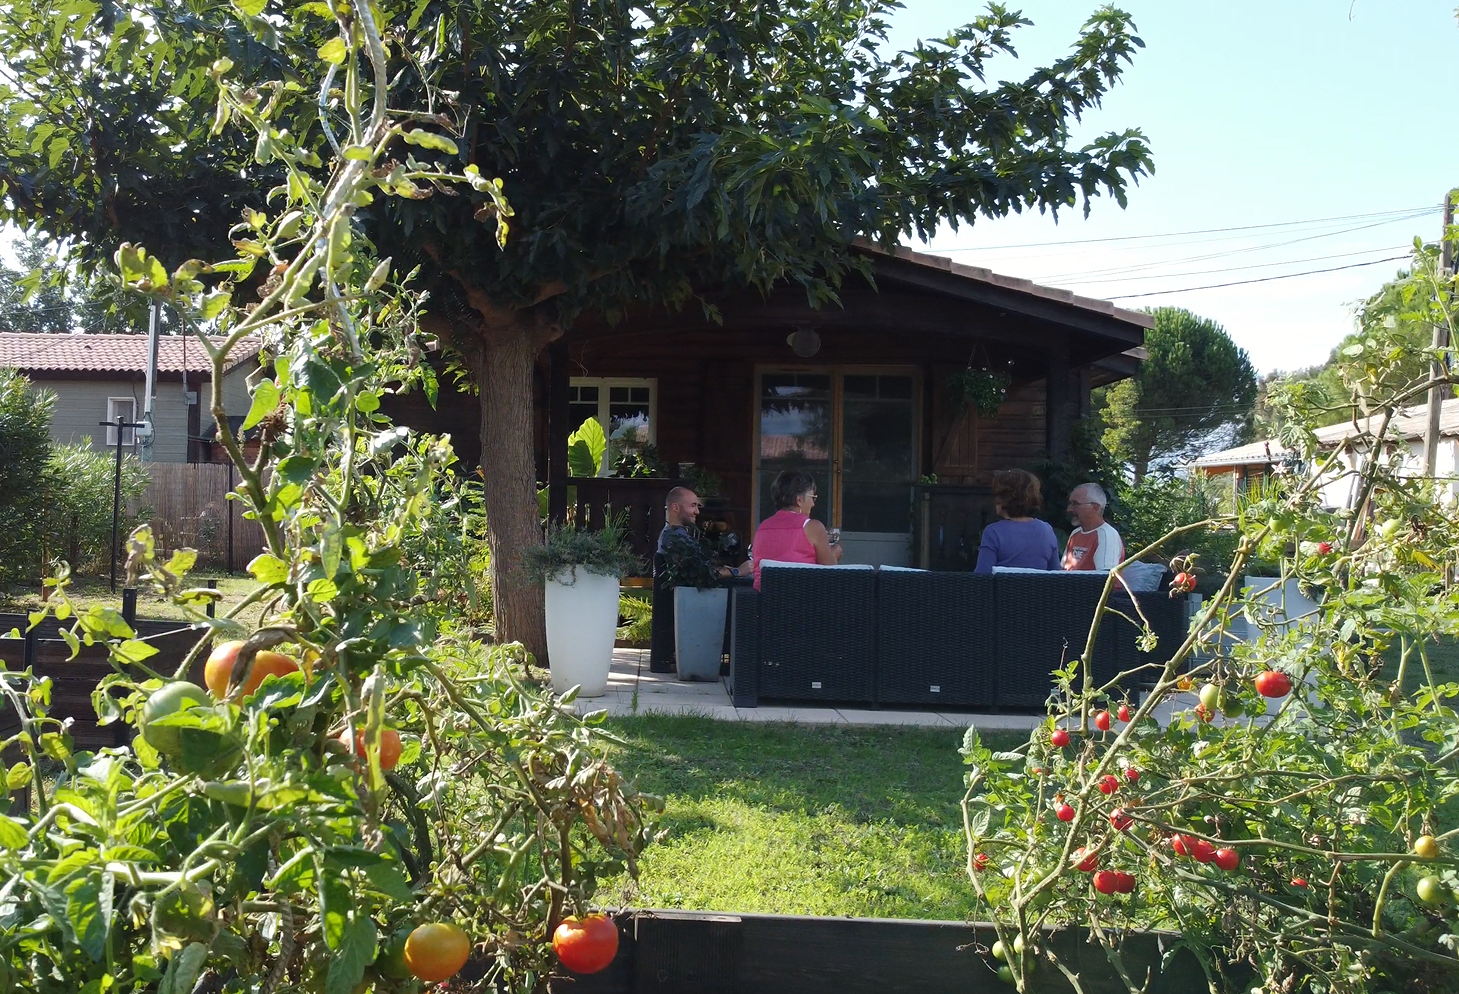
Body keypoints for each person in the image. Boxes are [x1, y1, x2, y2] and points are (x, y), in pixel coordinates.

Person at [750, 470, 842, 589]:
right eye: (813, 497)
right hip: (803, 600)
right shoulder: (813, 527)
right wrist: (835, 552)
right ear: (799, 500)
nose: (813, 504)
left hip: (766, 602)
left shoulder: (762, 528)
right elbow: (831, 572)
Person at [974, 469, 1060, 573]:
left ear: (1002, 498)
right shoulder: (1047, 530)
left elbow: (982, 574)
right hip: (1039, 589)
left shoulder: (993, 532)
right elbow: (1056, 573)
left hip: (1003, 589)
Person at [657, 487, 747, 580]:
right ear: (676, 507)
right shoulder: (676, 538)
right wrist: (738, 571)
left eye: (697, 506)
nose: (697, 511)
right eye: (693, 506)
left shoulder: (672, 534)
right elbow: (700, 572)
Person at [1062, 482, 1125, 571]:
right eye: (1070, 503)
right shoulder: (1075, 534)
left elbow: (1104, 578)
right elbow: (1062, 570)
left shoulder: (1107, 536)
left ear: (1094, 507)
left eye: (1075, 504)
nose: (1069, 509)